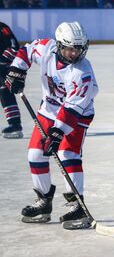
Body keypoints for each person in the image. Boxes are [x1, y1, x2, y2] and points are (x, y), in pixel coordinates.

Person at [4, 21, 99, 229]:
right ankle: (44, 201)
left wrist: (58, 133)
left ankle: (77, 205)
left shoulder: (82, 72)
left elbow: (73, 108)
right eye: (69, 48)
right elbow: (26, 52)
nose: (74, 53)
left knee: (67, 155)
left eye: (78, 49)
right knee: (35, 155)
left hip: (77, 115)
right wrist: (16, 71)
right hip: (48, 110)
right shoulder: (46, 49)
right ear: (58, 45)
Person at [0, 22, 23, 138]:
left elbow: (15, 46)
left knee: (5, 93)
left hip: (5, 68)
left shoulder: (2, 27)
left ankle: (15, 125)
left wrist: (3, 60)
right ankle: (15, 124)